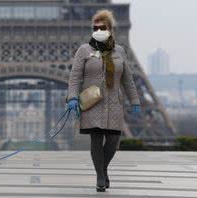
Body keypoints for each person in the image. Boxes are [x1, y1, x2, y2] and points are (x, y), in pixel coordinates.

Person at [66, 10, 141, 192]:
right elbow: (75, 77)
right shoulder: (84, 50)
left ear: (110, 29)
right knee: (96, 139)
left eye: (102, 27)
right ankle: (100, 176)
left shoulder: (120, 51)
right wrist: (73, 97)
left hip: (114, 102)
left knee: (114, 140)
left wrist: (135, 100)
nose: (98, 30)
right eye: (95, 27)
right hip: (93, 102)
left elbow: (128, 79)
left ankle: (103, 168)